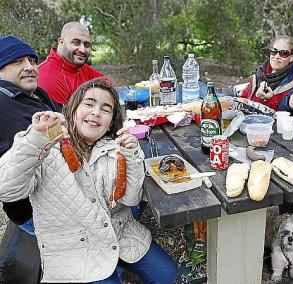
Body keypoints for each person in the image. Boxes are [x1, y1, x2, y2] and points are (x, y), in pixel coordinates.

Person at [0, 78, 178, 283]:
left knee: (167, 275)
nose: (96, 112)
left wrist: (132, 157)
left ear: (111, 121)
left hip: (119, 232)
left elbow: (130, 199)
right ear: (73, 110)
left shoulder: (113, 148)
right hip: (76, 249)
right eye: (89, 104)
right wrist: (35, 140)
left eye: (106, 109)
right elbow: (7, 189)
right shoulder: (45, 149)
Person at [0, 35, 58, 283]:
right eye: (17, 61)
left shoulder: (34, 96)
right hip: (37, 212)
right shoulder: (3, 105)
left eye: (32, 61)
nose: (29, 67)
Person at [38, 21, 103, 105]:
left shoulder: (78, 67)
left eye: (87, 45)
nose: (82, 50)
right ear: (61, 42)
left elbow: (106, 85)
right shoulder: (47, 77)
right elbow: (62, 117)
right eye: (76, 43)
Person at [239, 36, 293, 110]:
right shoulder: (260, 74)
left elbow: (283, 114)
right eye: (274, 51)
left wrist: (268, 99)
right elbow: (244, 96)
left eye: (283, 53)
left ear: (291, 57)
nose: (277, 56)